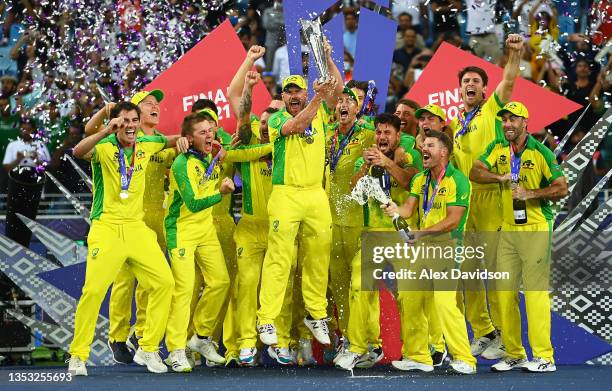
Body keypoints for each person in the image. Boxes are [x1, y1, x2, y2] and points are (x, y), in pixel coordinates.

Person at [68, 102, 178, 376]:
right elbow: (78, 151)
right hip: (107, 228)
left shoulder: (147, 144)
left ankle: (149, 347)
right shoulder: (105, 148)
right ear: (117, 123)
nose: (130, 125)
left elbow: (167, 140)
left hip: (137, 228)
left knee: (165, 283)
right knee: (93, 292)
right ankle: (78, 355)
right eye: (124, 121)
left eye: (134, 120)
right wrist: (107, 128)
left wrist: (186, 139)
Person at [256, 38, 344, 348]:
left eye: (298, 91)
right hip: (286, 195)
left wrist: (329, 58)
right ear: (282, 97)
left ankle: (316, 313)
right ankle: (266, 318)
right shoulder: (278, 118)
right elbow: (296, 126)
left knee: (318, 256)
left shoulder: (319, 110)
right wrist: (317, 99)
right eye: (289, 92)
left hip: (315, 195)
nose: (294, 96)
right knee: (280, 258)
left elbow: (338, 92)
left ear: (304, 93)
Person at [470, 101, 567, 373]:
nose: (508, 124)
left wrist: (530, 194)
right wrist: (499, 177)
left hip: (536, 228)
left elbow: (562, 188)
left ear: (526, 122)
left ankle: (545, 357)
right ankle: (514, 353)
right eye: (505, 120)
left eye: (514, 119)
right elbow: (474, 171)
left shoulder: (541, 153)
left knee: (535, 294)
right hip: (508, 230)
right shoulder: (497, 148)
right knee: (504, 293)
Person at [450, 33, 523, 360]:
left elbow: (508, 80)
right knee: (467, 274)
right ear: (459, 88)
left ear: (483, 89)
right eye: (465, 81)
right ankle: (484, 331)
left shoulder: (493, 109)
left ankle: (510, 343)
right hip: (465, 205)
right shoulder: (454, 124)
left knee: (496, 275)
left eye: (475, 81)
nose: (470, 85)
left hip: (493, 197)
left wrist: (515, 52)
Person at [384, 131, 476, 375]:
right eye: (423, 145)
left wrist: (421, 234)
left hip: (448, 248)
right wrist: (395, 209)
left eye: (430, 145)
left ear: (443, 152)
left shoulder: (458, 180)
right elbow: (408, 208)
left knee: (444, 304)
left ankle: (465, 358)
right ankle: (418, 356)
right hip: (423, 250)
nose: (423, 148)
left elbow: (453, 221)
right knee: (409, 299)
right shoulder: (420, 180)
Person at [334, 113, 421, 370]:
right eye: (379, 132)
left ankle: (416, 352)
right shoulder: (367, 156)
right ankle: (359, 348)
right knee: (360, 289)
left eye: (387, 133)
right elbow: (353, 189)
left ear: (397, 136)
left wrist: (388, 162)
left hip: (401, 233)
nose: (382, 137)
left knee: (407, 294)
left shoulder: (411, 155)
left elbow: (410, 181)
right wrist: (364, 166)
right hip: (372, 232)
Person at [164, 110, 235, 372]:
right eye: (202, 132)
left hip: (205, 230)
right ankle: (175, 350)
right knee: (183, 290)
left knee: (221, 282)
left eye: (211, 130)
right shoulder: (182, 163)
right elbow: (193, 203)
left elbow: (227, 145)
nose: (209, 135)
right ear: (189, 138)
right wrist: (221, 193)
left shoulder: (209, 156)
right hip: (181, 229)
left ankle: (201, 337)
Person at [327, 86, 375, 348]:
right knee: (339, 286)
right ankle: (348, 337)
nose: (343, 105)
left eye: (350, 101)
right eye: (340, 101)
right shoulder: (328, 136)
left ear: (358, 108)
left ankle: (372, 340)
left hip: (359, 220)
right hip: (332, 221)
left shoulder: (367, 135)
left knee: (362, 286)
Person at [2, 117, 50, 247]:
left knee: (31, 221)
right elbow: (6, 168)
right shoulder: (13, 145)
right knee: (15, 222)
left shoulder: (40, 145)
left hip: (34, 189)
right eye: (24, 129)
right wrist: (19, 159)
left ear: (34, 130)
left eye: (29, 129)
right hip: (16, 189)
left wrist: (38, 160)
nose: (26, 132)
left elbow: (48, 167)